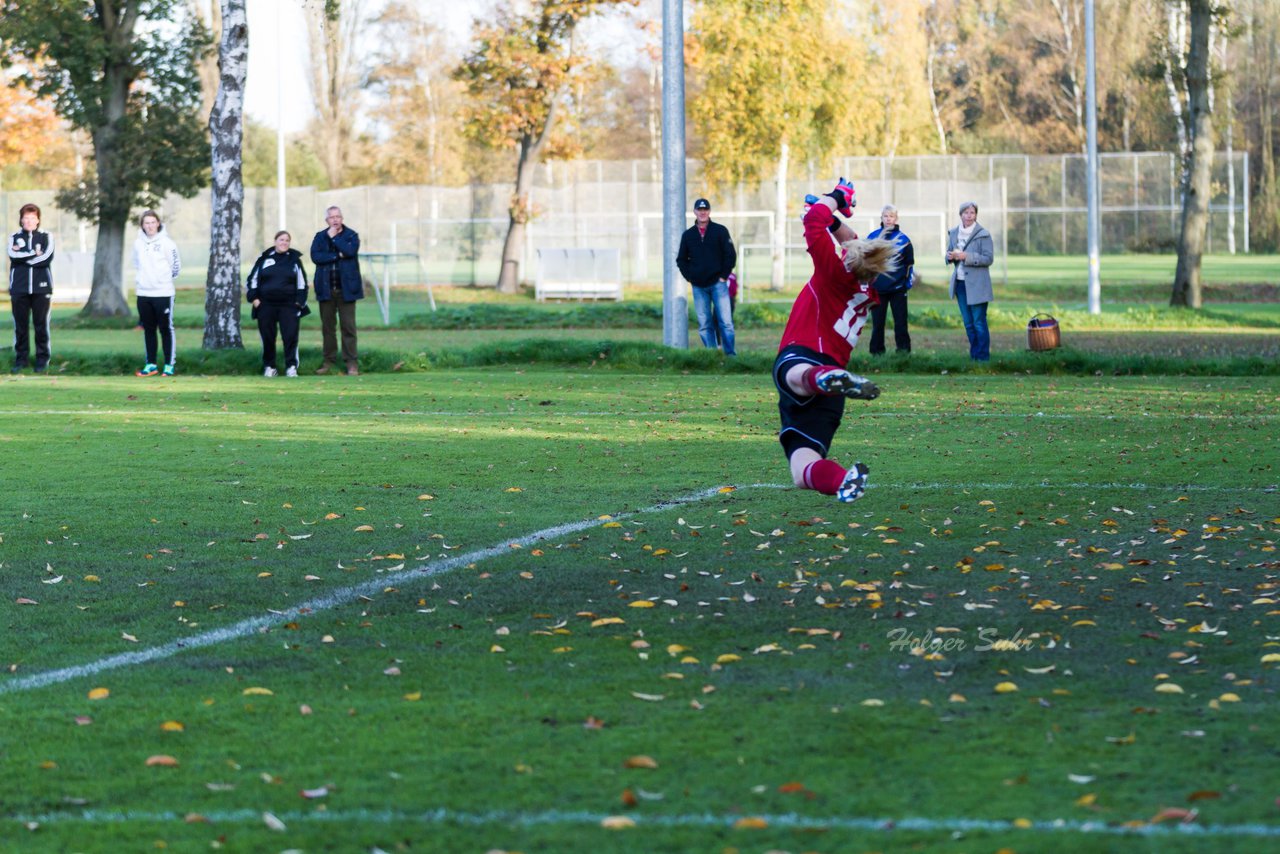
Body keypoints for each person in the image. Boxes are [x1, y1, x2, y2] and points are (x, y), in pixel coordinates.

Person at [774, 179, 898, 503]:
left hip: (807, 357)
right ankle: (844, 480)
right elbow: (856, 244)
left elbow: (813, 221)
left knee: (794, 377)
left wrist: (835, 198)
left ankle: (823, 380)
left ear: (847, 260)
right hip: (831, 384)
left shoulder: (832, 272)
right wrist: (835, 219)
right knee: (803, 470)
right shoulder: (866, 291)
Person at [675, 197, 736, 356]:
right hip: (698, 287)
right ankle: (712, 356)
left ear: (709, 211)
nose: (702, 213)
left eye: (705, 210)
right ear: (694, 212)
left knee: (726, 322)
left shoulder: (720, 231)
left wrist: (723, 277)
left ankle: (730, 355)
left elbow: (730, 255)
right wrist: (690, 277)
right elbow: (681, 259)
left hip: (718, 284)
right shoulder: (688, 235)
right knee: (704, 324)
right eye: (699, 210)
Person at [247, 231, 310, 377]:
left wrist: (299, 303)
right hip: (266, 305)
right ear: (275, 241)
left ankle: (291, 367)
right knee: (268, 337)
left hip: (288, 305)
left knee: (290, 336)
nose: (284, 243)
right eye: (281, 240)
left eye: (287, 240)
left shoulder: (294, 260)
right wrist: (255, 300)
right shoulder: (264, 259)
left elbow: (302, 284)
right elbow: (252, 281)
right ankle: (270, 366)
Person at [310, 206, 363, 375]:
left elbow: (350, 251)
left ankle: (351, 363)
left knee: (348, 328)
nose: (335, 220)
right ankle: (328, 362)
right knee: (328, 328)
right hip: (326, 290)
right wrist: (336, 255)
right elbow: (316, 257)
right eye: (331, 217)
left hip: (346, 291)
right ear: (327, 220)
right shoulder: (319, 237)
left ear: (342, 218)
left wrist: (334, 240)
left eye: (338, 216)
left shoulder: (351, 236)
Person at [132, 209, 181, 377]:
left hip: (163, 293)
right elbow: (136, 264)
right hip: (143, 293)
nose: (150, 226)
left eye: (153, 222)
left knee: (166, 329)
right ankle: (151, 364)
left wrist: (162, 281)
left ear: (158, 223)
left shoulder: (168, 243)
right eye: (147, 223)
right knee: (148, 330)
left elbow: (176, 267)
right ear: (142, 225)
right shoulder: (138, 243)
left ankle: (169, 365)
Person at [8, 203, 54, 373]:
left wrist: (23, 256)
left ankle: (42, 361)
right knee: (20, 326)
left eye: (32, 218)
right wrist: (34, 253)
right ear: (21, 220)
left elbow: (46, 258)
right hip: (19, 288)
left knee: (41, 325)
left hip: (41, 289)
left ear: (38, 220)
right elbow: (13, 255)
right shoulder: (13, 237)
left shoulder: (46, 236)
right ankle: (21, 360)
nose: (28, 221)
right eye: (25, 218)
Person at [945, 201, 994, 361]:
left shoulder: (983, 234)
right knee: (968, 323)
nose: (969, 215)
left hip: (978, 285)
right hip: (960, 284)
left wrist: (967, 256)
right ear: (961, 215)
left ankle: (983, 358)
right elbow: (949, 252)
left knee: (979, 322)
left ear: (976, 215)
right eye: (966, 212)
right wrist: (949, 256)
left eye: (972, 212)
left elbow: (988, 258)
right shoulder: (953, 232)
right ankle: (974, 357)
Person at [866, 204, 914, 355]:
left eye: (891, 216)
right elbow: (866, 262)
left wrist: (906, 284)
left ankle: (903, 353)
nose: (888, 219)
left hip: (898, 289)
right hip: (877, 289)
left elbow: (909, 264)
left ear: (896, 218)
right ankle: (877, 353)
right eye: (885, 216)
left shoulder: (904, 240)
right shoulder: (873, 237)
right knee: (877, 324)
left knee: (900, 323)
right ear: (881, 218)